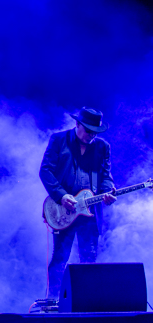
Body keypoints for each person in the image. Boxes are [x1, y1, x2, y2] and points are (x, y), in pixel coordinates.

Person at [39, 107, 117, 299]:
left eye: (95, 132)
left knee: (89, 261)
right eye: (88, 131)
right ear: (77, 124)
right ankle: (53, 301)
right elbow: (45, 171)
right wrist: (62, 196)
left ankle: (86, 302)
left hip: (89, 214)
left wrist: (107, 192)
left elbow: (105, 176)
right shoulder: (59, 140)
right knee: (59, 259)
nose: (92, 135)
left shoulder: (103, 147)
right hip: (62, 210)